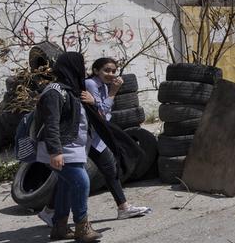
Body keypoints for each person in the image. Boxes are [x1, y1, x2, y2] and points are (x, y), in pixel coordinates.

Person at [38, 58, 151, 228]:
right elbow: (101, 113)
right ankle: (78, 223)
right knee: (79, 180)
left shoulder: (99, 86)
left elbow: (99, 112)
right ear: (96, 70)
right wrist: (113, 92)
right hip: (82, 138)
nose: (111, 74)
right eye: (106, 70)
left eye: (113, 71)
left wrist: (105, 96)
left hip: (91, 137)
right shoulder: (88, 85)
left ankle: (122, 207)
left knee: (107, 169)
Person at [35, 52, 102, 242]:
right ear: (72, 66)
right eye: (82, 65)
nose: (84, 69)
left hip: (74, 148)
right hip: (60, 149)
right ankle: (82, 227)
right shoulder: (54, 91)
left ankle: (59, 228)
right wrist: (55, 152)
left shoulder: (72, 89)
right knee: (82, 182)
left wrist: (93, 101)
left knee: (65, 186)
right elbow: (51, 124)